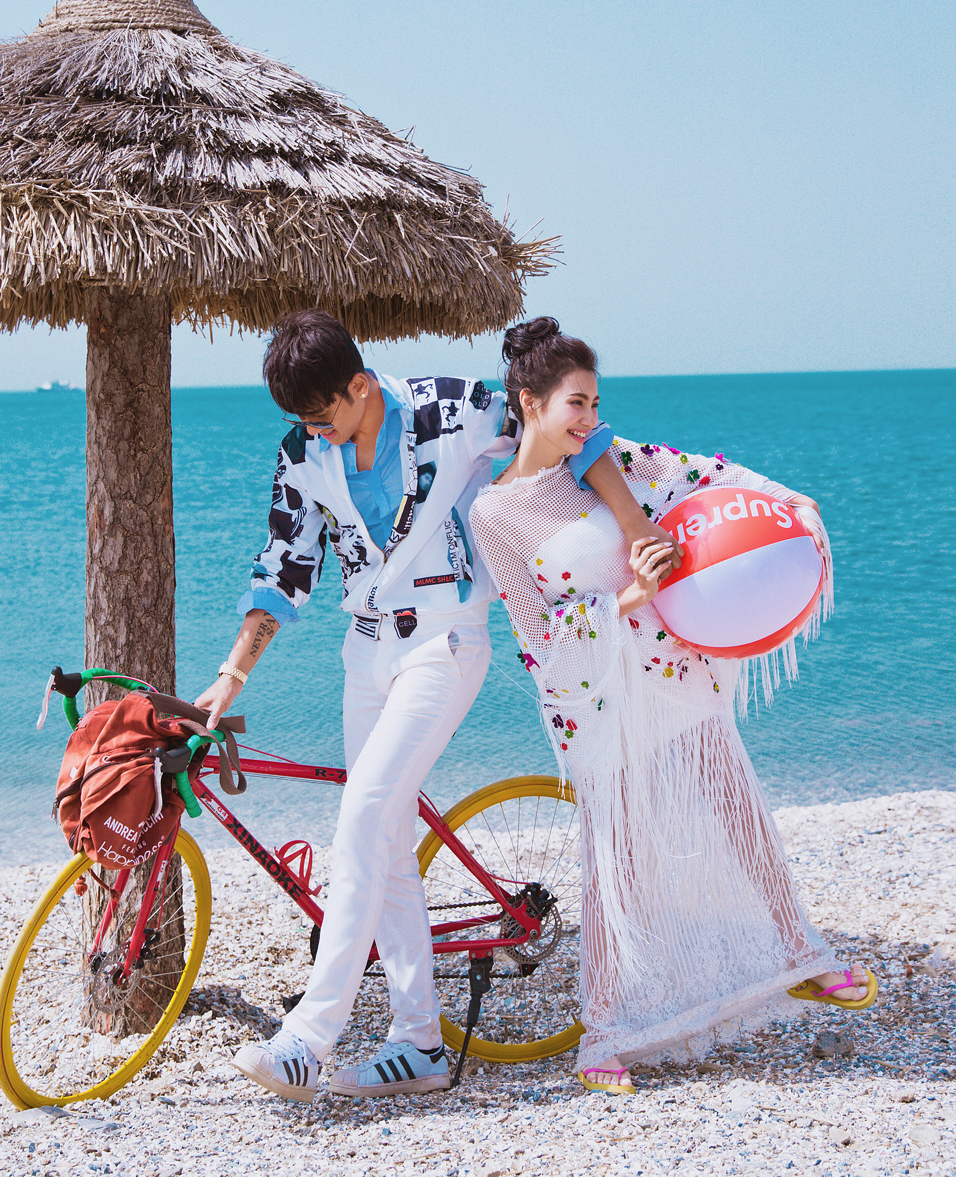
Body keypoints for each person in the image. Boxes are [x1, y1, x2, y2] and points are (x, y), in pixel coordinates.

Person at [198, 309, 662, 1101]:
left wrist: (635, 523)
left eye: (323, 416)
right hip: (365, 654)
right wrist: (232, 674)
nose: (316, 434)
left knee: (362, 813)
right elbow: (284, 567)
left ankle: (308, 1037)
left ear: (359, 385)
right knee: (385, 840)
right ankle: (417, 1043)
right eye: (303, 423)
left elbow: (568, 432)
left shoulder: (452, 409)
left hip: (445, 643)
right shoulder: (303, 454)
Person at [466, 317, 876, 1094]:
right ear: (529, 402)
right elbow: (535, 634)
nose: (590, 418)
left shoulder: (612, 460)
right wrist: (627, 598)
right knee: (615, 863)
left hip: (675, 670)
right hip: (600, 698)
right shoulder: (496, 513)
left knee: (740, 811)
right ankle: (605, 1034)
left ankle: (801, 956)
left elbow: (708, 480)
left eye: (595, 403)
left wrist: (791, 502)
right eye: (576, 404)